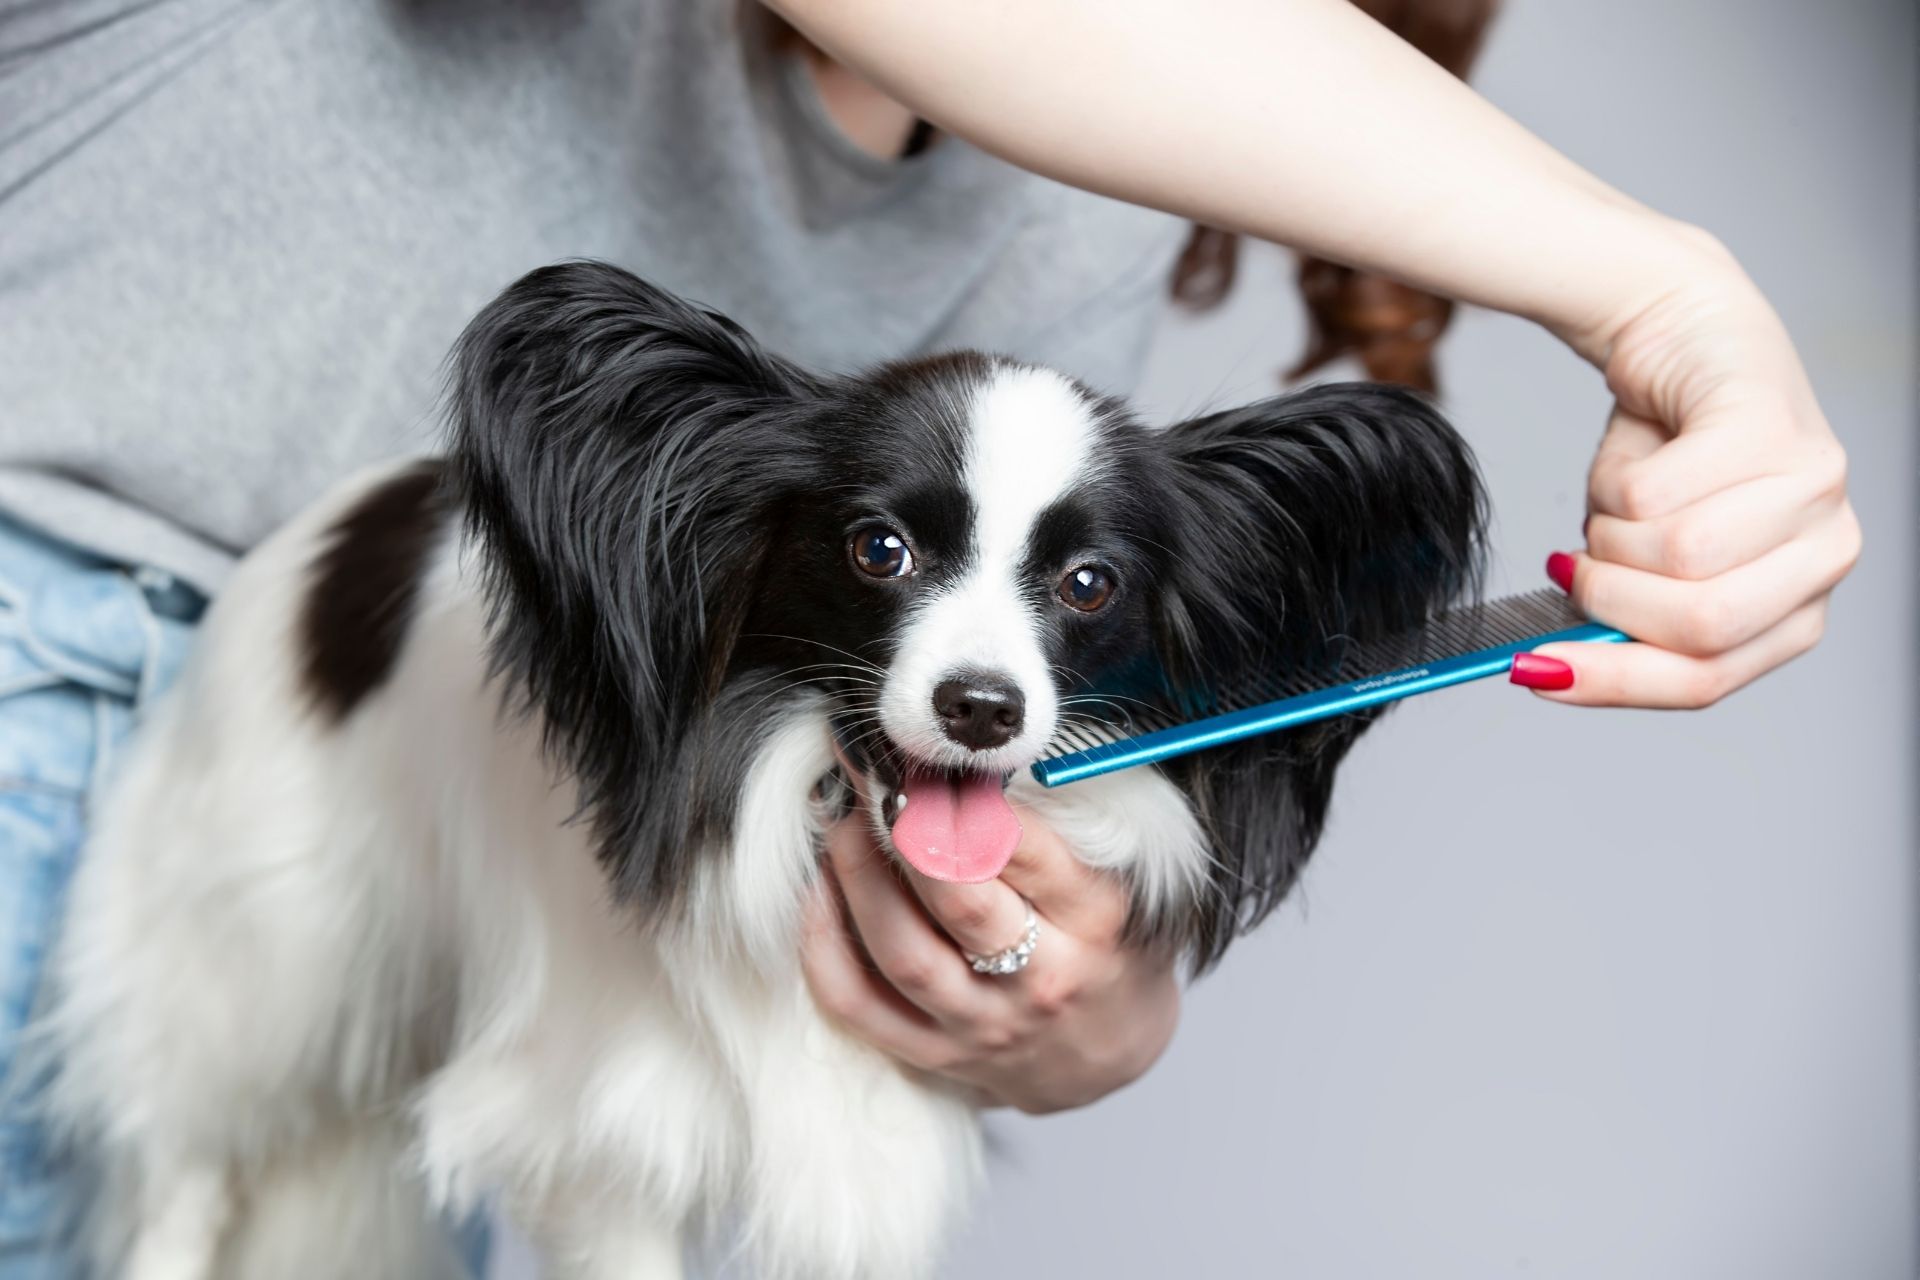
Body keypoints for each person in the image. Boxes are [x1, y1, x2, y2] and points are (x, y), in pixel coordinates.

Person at [0, 0, 1859, 1272]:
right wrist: (1661, 288)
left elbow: (1028, 732)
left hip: (520, 879)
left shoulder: (1078, 205)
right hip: (80, 695)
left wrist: (1079, 1004)